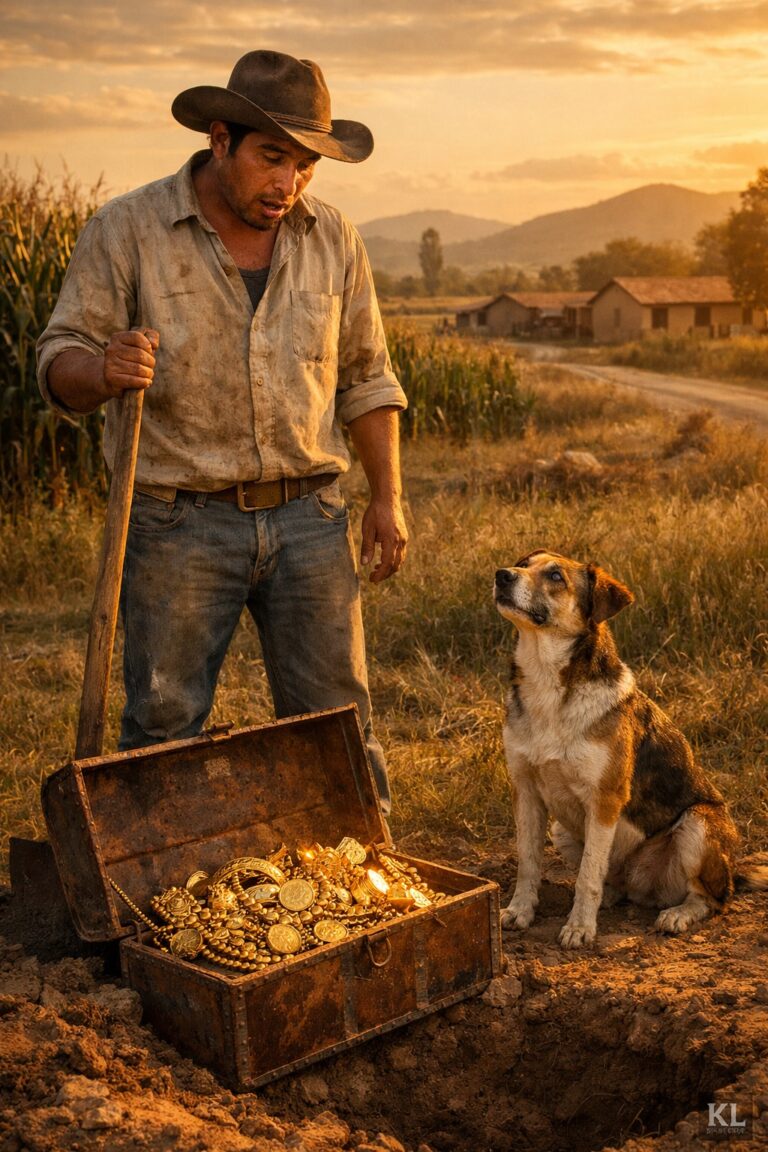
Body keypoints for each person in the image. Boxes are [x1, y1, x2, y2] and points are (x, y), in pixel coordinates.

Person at [37, 50, 408, 814]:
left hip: (309, 517)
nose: (289, 184)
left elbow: (367, 377)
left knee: (338, 723)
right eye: (273, 158)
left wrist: (387, 498)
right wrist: (102, 368)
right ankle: (155, 898)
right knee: (165, 725)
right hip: (178, 521)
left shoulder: (332, 238)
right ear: (219, 139)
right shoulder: (129, 230)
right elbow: (57, 360)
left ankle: (368, 893)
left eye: (306, 165)